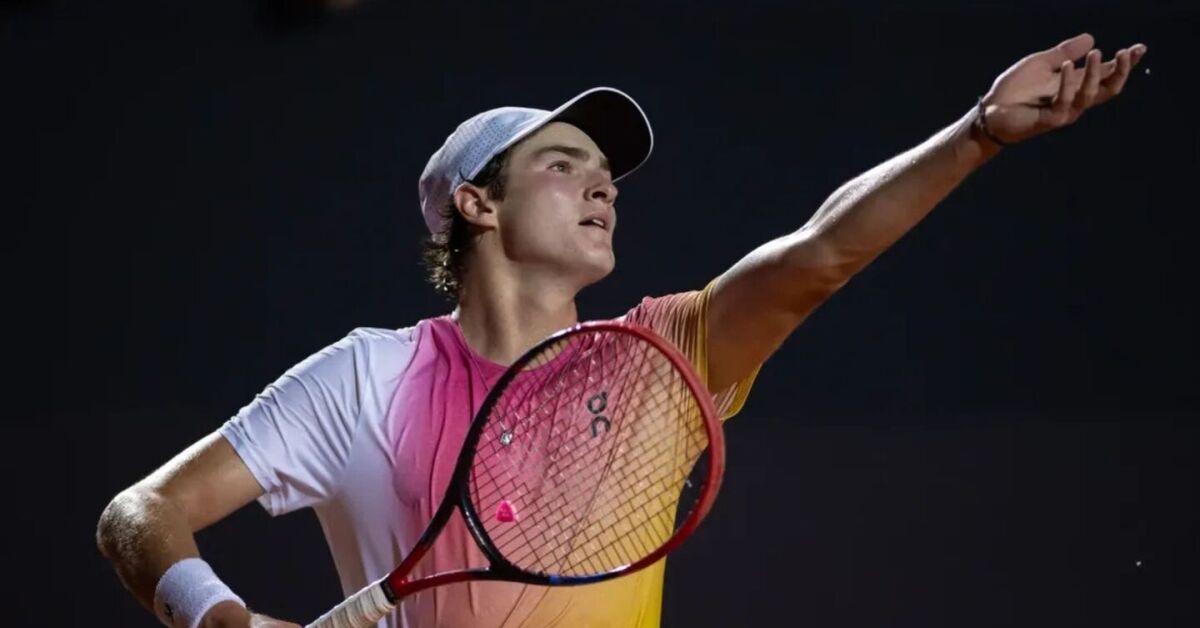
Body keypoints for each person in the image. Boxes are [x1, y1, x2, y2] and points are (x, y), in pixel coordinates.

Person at [97, 32, 1146, 628]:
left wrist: (975, 134)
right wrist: (221, 620)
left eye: (608, 177)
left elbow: (823, 251)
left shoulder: (661, 359)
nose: (603, 188)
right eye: (564, 165)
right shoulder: (364, 379)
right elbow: (140, 514)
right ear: (476, 203)